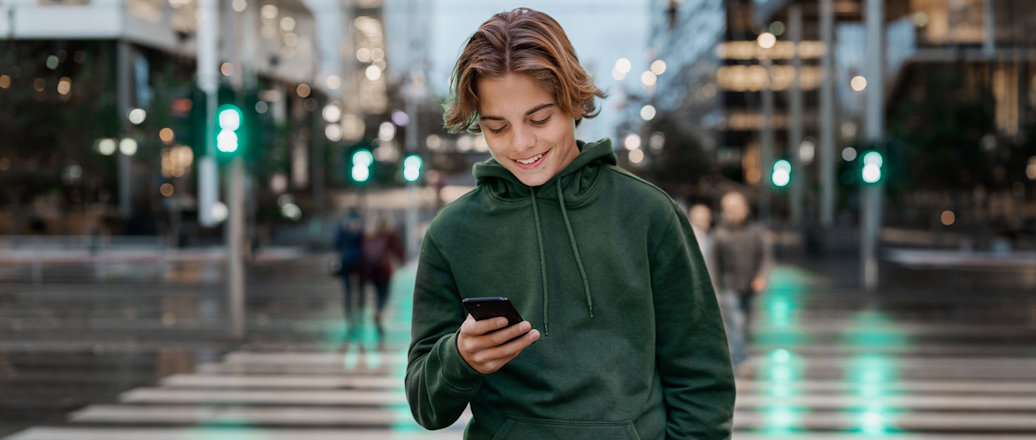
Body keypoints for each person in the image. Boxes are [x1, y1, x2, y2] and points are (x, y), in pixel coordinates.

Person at [405, 8, 734, 439]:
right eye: (497, 127)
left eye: (539, 119)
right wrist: (459, 358)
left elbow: (702, 384)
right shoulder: (452, 233)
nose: (521, 143)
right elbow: (426, 406)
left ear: (573, 102)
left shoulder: (650, 214)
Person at [712, 191, 772, 370]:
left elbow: (765, 257)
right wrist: (715, 288)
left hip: (751, 285)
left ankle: (739, 352)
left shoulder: (756, 231)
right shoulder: (720, 234)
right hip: (729, 285)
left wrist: (761, 276)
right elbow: (714, 263)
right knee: (736, 322)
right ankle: (738, 359)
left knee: (747, 324)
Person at [359, 213, 405, 343]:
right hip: (385, 270)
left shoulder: (368, 234)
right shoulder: (389, 233)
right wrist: (401, 261)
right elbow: (397, 249)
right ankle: (379, 312)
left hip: (372, 270)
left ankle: (377, 311)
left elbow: (363, 251)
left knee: (377, 293)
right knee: (384, 294)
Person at [333, 210, 364, 336]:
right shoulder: (360, 228)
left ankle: (349, 315)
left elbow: (336, 244)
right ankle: (360, 315)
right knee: (361, 289)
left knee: (347, 289)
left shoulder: (343, 227)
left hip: (346, 261)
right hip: (360, 261)